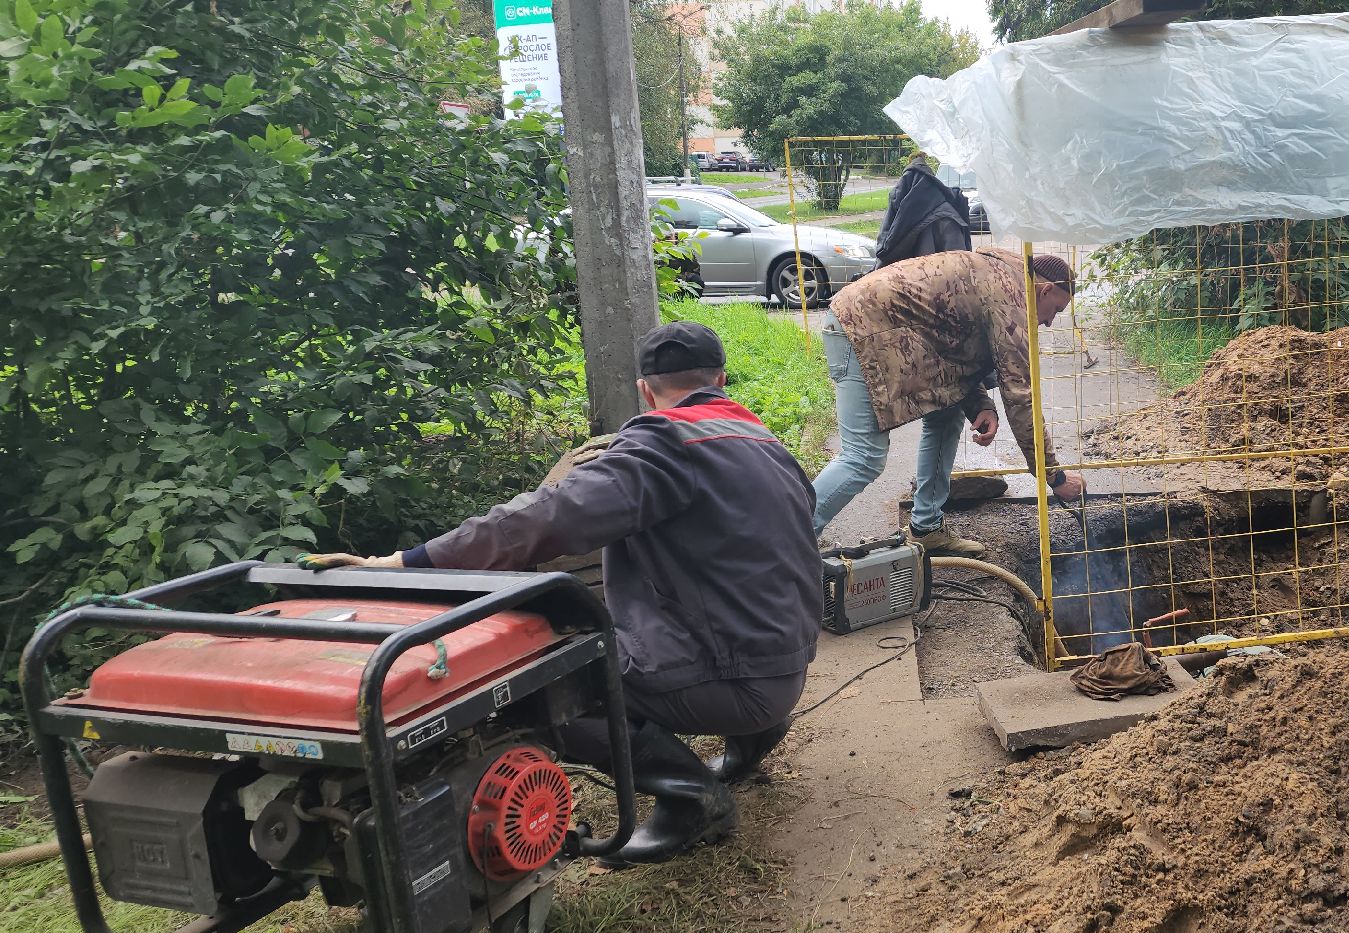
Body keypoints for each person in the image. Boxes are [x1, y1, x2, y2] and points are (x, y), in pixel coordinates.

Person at [302, 322, 821, 866]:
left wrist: (407, 562)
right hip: (784, 665)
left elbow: (546, 518)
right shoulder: (761, 440)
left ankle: (692, 797)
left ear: (644, 389)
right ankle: (752, 741)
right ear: (720, 380)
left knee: (534, 688)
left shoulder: (663, 443)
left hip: (735, 681)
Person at [811, 248, 1087, 557]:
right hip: (860, 328)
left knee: (947, 414)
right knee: (863, 457)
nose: (1050, 323)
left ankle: (926, 528)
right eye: (1056, 310)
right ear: (1045, 289)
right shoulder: (1012, 297)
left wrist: (980, 405)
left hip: (881, 327)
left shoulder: (1010, 275)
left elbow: (952, 343)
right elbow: (1020, 395)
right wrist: (1054, 475)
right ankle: (788, 541)